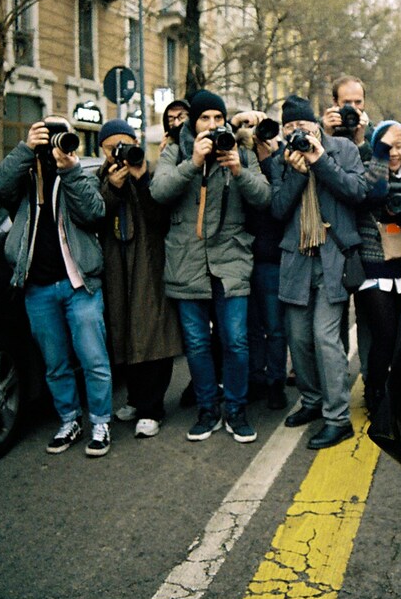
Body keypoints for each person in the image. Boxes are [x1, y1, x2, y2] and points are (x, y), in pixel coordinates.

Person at [0, 116, 114, 458]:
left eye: (62, 134)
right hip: (37, 287)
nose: (55, 141)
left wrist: (69, 170)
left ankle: (100, 422)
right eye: (48, 134)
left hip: (79, 284)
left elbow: (94, 213)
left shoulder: (78, 172)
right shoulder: (24, 177)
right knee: (54, 362)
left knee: (93, 358)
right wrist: (25, 149)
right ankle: (69, 420)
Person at [150, 89, 271, 444]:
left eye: (219, 118)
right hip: (187, 260)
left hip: (231, 259)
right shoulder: (176, 151)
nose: (213, 125)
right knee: (198, 343)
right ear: (193, 122)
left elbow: (264, 197)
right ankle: (207, 409)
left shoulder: (241, 152)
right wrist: (193, 163)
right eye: (205, 118)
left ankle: (235, 408)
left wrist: (238, 169)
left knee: (235, 341)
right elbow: (159, 192)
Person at [268, 94, 368, 451]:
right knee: (299, 339)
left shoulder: (341, 149)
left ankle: (337, 418)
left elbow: (357, 191)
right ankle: (311, 401)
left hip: (333, 258)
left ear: (316, 125)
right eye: (290, 127)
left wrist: (320, 161)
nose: (298, 132)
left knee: (326, 339)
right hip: (297, 259)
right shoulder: (281, 161)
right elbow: (277, 209)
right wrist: (296, 174)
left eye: (303, 125)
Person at [97, 119, 183, 438]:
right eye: (111, 148)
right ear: (101, 149)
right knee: (124, 332)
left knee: (153, 334)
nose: (119, 153)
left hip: (148, 264)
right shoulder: (98, 178)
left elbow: (161, 216)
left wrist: (141, 179)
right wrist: (112, 189)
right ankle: (135, 399)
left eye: (125, 145)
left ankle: (152, 408)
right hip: (115, 265)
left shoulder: (150, 172)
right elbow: (92, 215)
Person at [355, 120, 401, 415]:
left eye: (400, 145)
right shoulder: (368, 170)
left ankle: (396, 391)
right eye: (388, 146)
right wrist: (379, 154)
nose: (395, 152)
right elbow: (374, 193)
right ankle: (374, 392)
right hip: (373, 264)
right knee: (385, 334)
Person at [232, 109, 291, 411]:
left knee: (274, 326)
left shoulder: (278, 159)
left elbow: (276, 198)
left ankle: (276, 382)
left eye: (255, 124)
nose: (249, 131)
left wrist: (267, 154)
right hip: (240, 255)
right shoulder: (231, 157)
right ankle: (255, 379)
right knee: (249, 326)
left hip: (271, 256)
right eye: (242, 125)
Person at [322, 75, 371, 158]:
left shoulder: (372, 133)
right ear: (335, 102)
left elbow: (371, 168)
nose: (353, 107)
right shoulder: (320, 128)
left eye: (358, 102)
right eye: (347, 103)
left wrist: (360, 143)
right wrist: (327, 136)